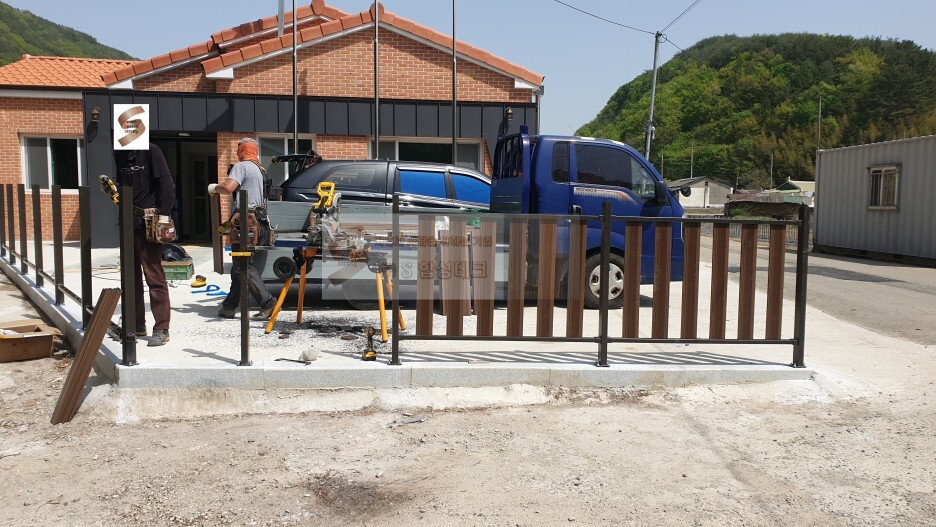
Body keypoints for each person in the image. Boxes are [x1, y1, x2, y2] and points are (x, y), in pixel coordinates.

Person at [208, 138, 277, 320]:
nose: (238, 154)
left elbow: (229, 188)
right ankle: (229, 307)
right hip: (259, 222)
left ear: (242, 151)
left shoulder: (242, 166)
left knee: (242, 266)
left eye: (239, 151)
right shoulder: (260, 170)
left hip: (247, 223)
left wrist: (215, 188)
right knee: (238, 267)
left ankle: (268, 302)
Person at [114, 144, 175, 346]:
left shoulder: (151, 151)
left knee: (154, 277)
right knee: (130, 279)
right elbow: (122, 186)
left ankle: (162, 328)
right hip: (127, 224)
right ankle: (136, 324)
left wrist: (163, 217)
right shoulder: (121, 154)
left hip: (148, 225)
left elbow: (167, 185)